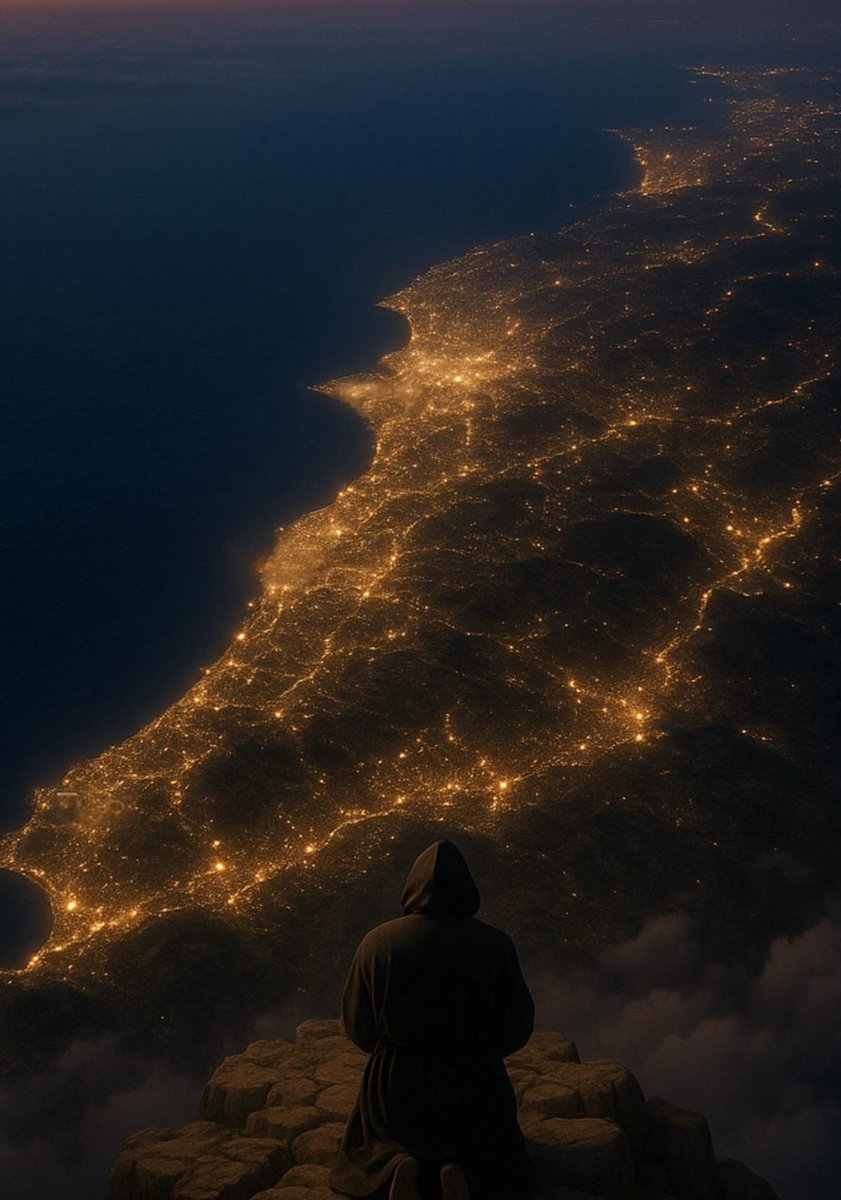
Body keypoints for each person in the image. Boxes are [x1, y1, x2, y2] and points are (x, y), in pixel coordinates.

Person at [330, 839, 538, 1200]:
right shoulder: (495, 945)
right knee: (491, 1150)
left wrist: (390, 1049)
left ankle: (395, 1164)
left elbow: (356, 1021)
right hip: (474, 1078)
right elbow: (517, 1025)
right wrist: (482, 1051)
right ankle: (463, 1170)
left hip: (395, 1084)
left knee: (376, 1142)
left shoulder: (377, 943)